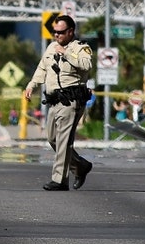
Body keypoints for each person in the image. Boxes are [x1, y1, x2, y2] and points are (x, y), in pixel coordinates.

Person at [23, 14, 94, 191]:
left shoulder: (81, 48)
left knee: (64, 140)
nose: (56, 36)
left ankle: (60, 180)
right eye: (54, 32)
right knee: (52, 138)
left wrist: (67, 53)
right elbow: (42, 68)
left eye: (60, 32)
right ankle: (80, 165)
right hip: (54, 100)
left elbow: (86, 66)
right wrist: (32, 85)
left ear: (70, 32)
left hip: (71, 100)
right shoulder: (51, 48)